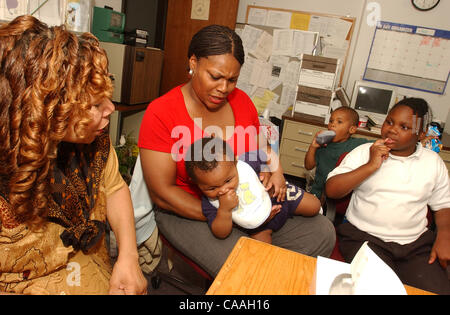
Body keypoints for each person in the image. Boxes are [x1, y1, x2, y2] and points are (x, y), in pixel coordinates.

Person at [138, 24, 335, 277]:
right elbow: (163, 194)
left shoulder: (241, 101)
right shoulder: (161, 112)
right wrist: (229, 213)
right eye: (215, 76)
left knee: (321, 232)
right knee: (247, 266)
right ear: (193, 62)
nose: (224, 88)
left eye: (232, 80)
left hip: (249, 200)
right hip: (192, 210)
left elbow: (261, 152)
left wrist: (271, 175)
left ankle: (278, 282)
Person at [0, 15, 147, 295]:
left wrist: (129, 256)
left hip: (88, 267)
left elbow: (115, 190)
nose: (110, 109)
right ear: (44, 110)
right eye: (94, 104)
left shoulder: (94, 146)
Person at [326, 98, 450, 294]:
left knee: (436, 288)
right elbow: (332, 190)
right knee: (380, 289)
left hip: (415, 244)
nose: (392, 130)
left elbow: (443, 206)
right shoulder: (364, 152)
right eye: (389, 122)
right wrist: (371, 165)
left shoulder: (432, 162)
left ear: (421, 134)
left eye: (404, 127)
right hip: (364, 238)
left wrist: (444, 235)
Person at [185, 137, 320, 244]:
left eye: (228, 181)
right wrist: (224, 211)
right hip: (258, 227)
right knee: (261, 252)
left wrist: (278, 173)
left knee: (314, 206)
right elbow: (220, 233)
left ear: (235, 162)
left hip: (278, 195)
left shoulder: (246, 163)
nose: (223, 190)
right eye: (212, 188)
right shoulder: (209, 202)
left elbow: (268, 153)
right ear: (196, 183)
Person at [304, 106, 371, 204]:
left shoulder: (357, 144)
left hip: (340, 194)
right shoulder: (323, 144)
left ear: (352, 129)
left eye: (339, 122)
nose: (332, 125)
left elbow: (377, 144)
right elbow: (308, 166)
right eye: (331, 121)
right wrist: (313, 146)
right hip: (317, 192)